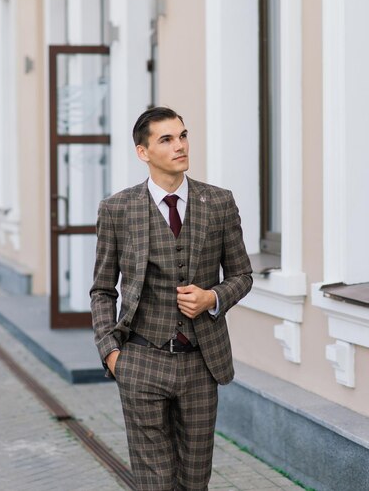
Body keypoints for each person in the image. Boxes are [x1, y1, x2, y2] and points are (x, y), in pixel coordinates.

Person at [90, 106, 252, 491]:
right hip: (141, 360)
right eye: (166, 139)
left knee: (195, 481)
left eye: (183, 135)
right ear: (143, 152)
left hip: (200, 362)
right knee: (155, 482)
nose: (180, 146)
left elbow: (243, 275)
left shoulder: (219, 202)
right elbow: (102, 289)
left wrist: (213, 296)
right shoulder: (117, 210)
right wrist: (111, 351)